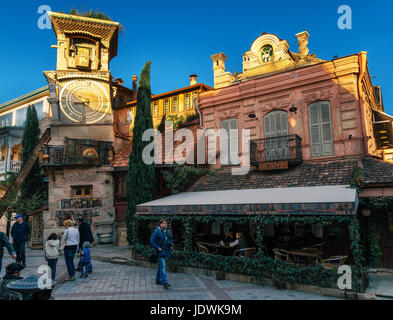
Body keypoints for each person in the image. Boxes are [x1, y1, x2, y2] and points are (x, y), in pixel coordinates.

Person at [150, 219, 174, 289]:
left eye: (166, 223)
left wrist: (172, 245)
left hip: (166, 251)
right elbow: (152, 241)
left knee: (160, 266)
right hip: (160, 252)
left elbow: (170, 239)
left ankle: (158, 280)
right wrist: (157, 248)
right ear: (160, 224)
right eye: (164, 223)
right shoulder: (156, 232)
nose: (165, 225)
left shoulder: (167, 231)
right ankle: (165, 282)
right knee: (163, 266)